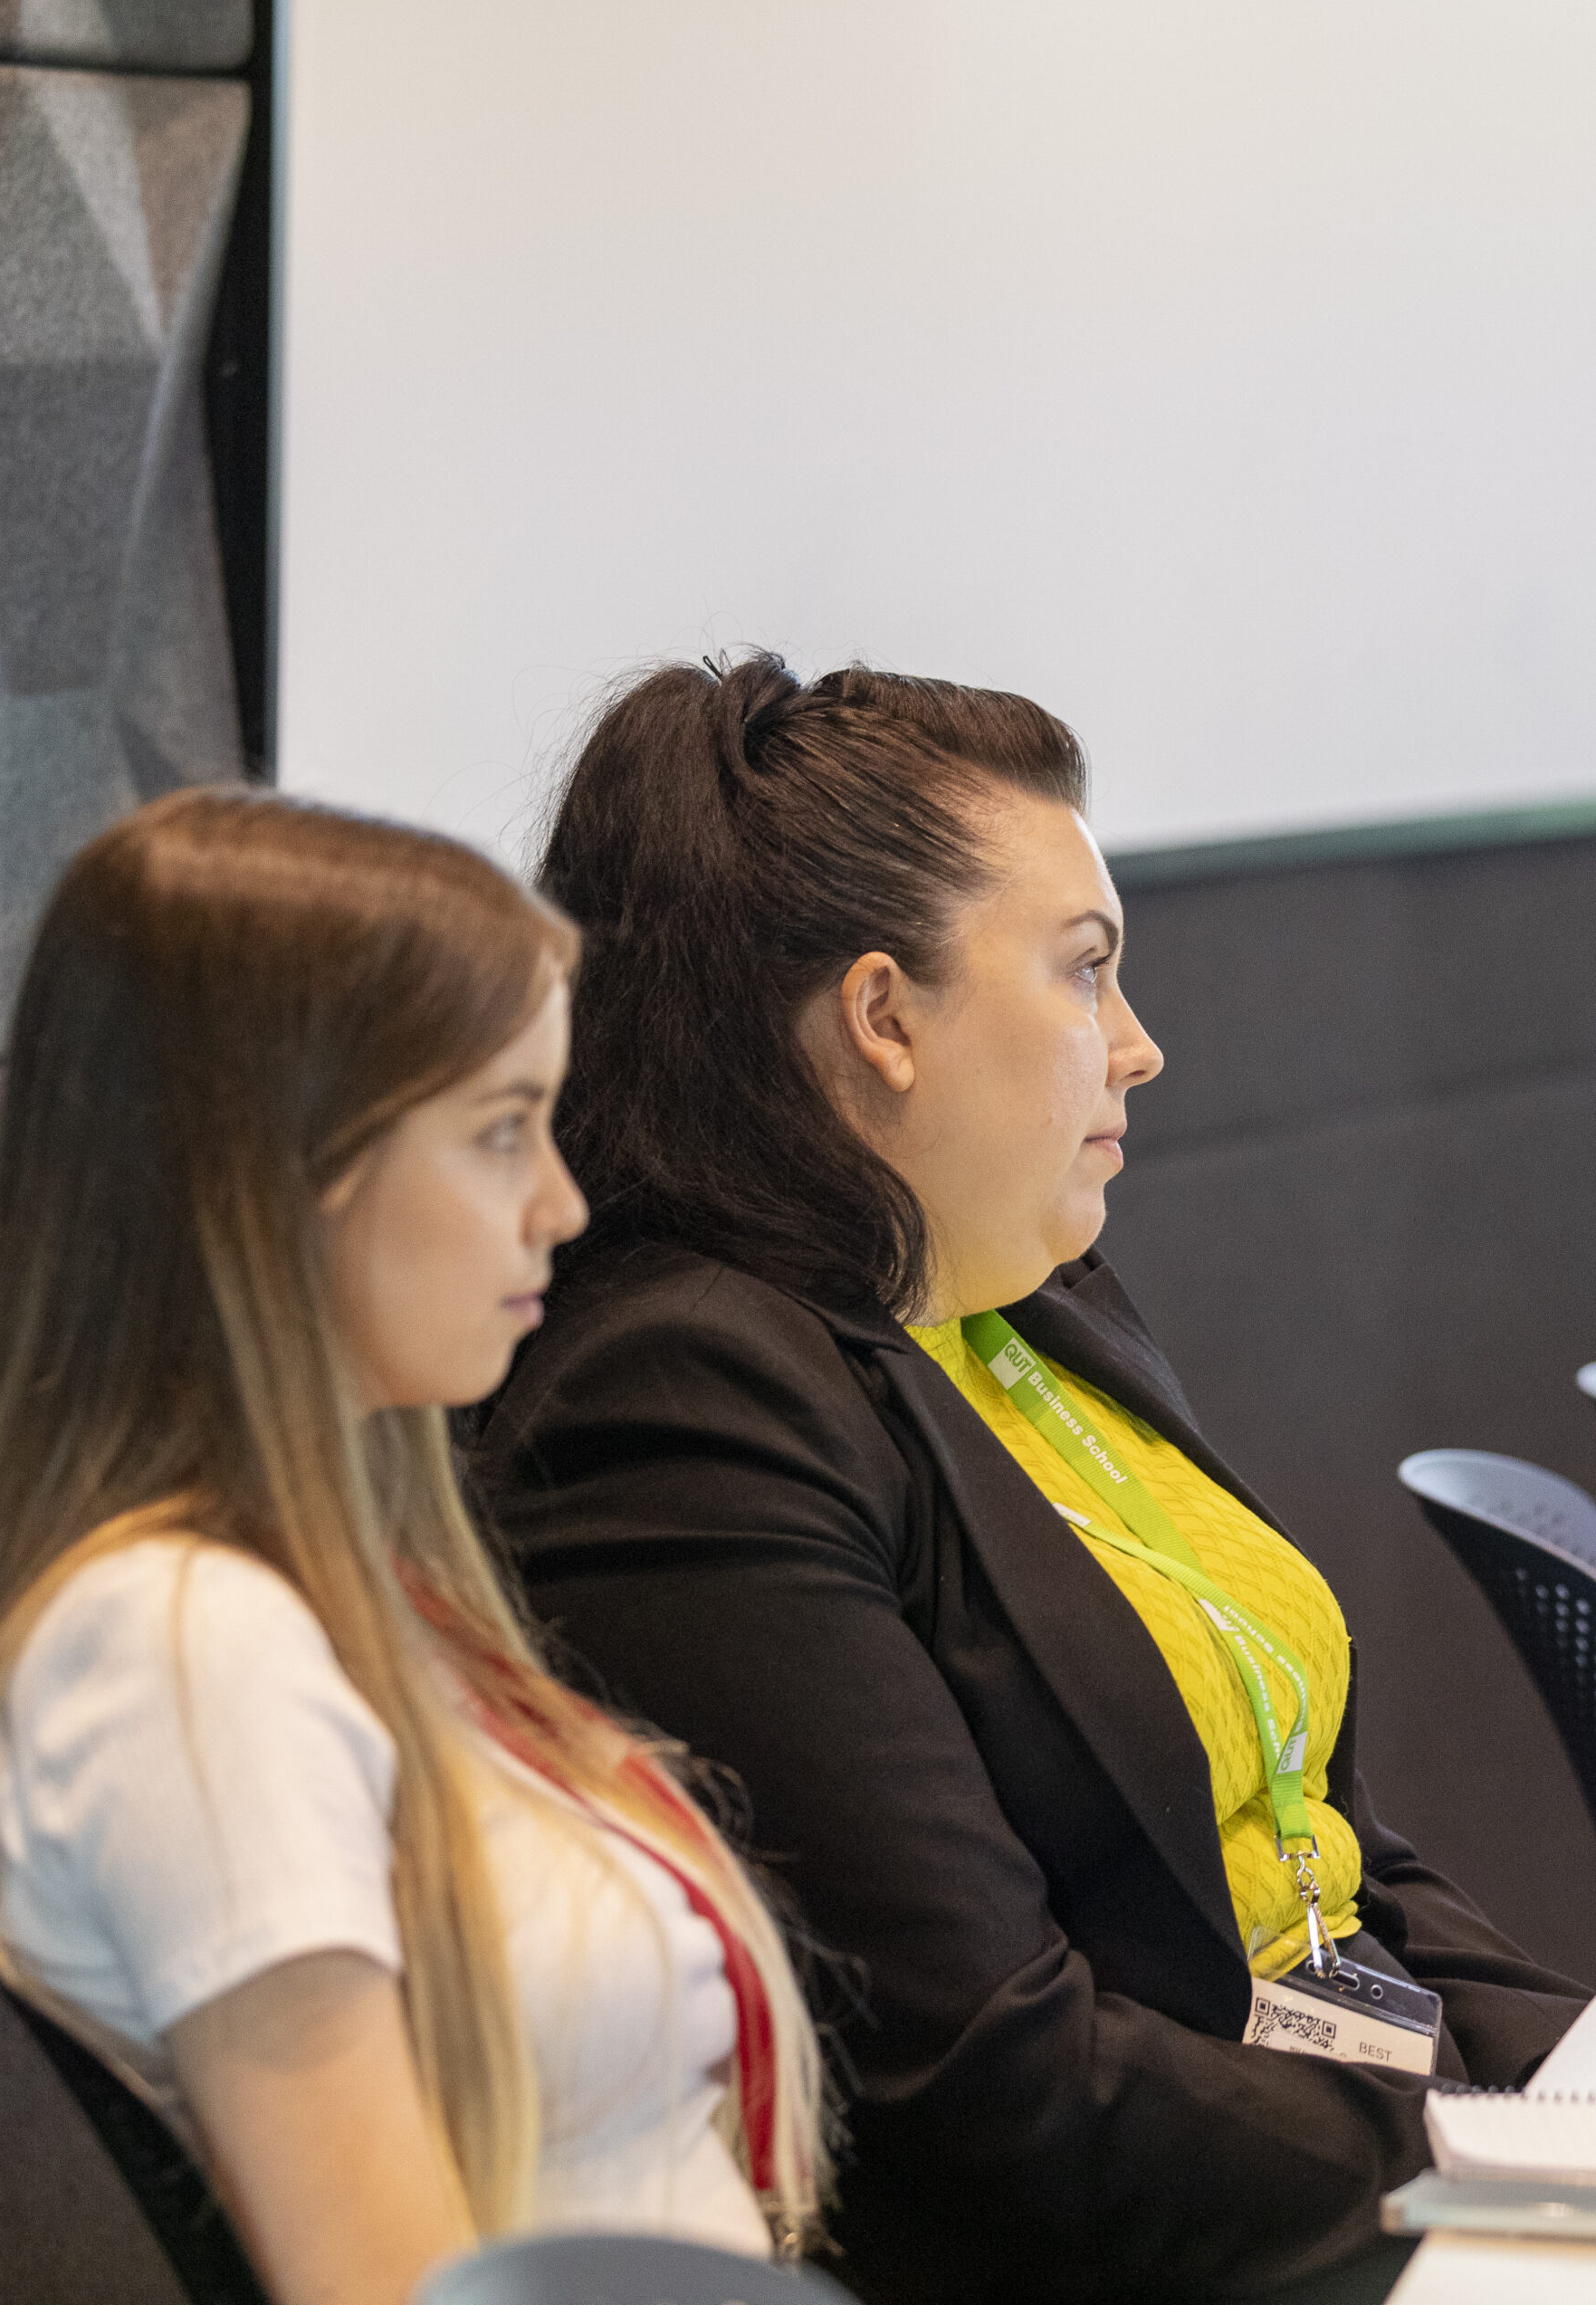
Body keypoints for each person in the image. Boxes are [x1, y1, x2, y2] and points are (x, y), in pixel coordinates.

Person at [470, 653, 1592, 2303]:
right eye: (1085, 974)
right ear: (882, 1019)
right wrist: (1496, 2173)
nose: (1139, 1047)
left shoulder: (1026, 1297)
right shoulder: (686, 1398)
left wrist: (1562, 2079)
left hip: (1364, 2154)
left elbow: (1323, 1839)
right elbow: (986, 2078)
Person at [0, 788, 827, 2305]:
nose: (562, 1205)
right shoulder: (185, 1648)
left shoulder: (352, 1593)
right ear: (272, 1170)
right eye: (501, 1132)